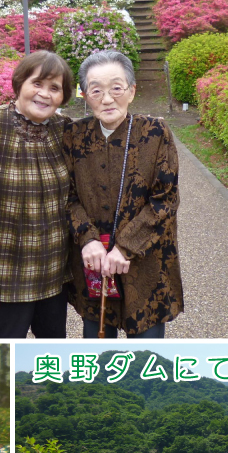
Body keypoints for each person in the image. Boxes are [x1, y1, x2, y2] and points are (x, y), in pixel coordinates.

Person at [66, 50, 182, 338]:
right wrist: (88, 239)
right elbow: (66, 196)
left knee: (145, 358)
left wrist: (125, 247)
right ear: (84, 95)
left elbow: (165, 199)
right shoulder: (74, 135)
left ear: (131, 91)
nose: (107, 99)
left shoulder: (155, 132)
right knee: (98, 351)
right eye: (96, 90)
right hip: (94, 263)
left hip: (145, 261)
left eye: (116, 88)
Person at [0, 50, 74, 338]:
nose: (44, 94)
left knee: (49, 357)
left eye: (55, 88)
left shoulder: (66, 130)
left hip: (53, 271)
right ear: (19, 84)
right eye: (37, 83)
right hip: (5, 276)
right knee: (4, 357)